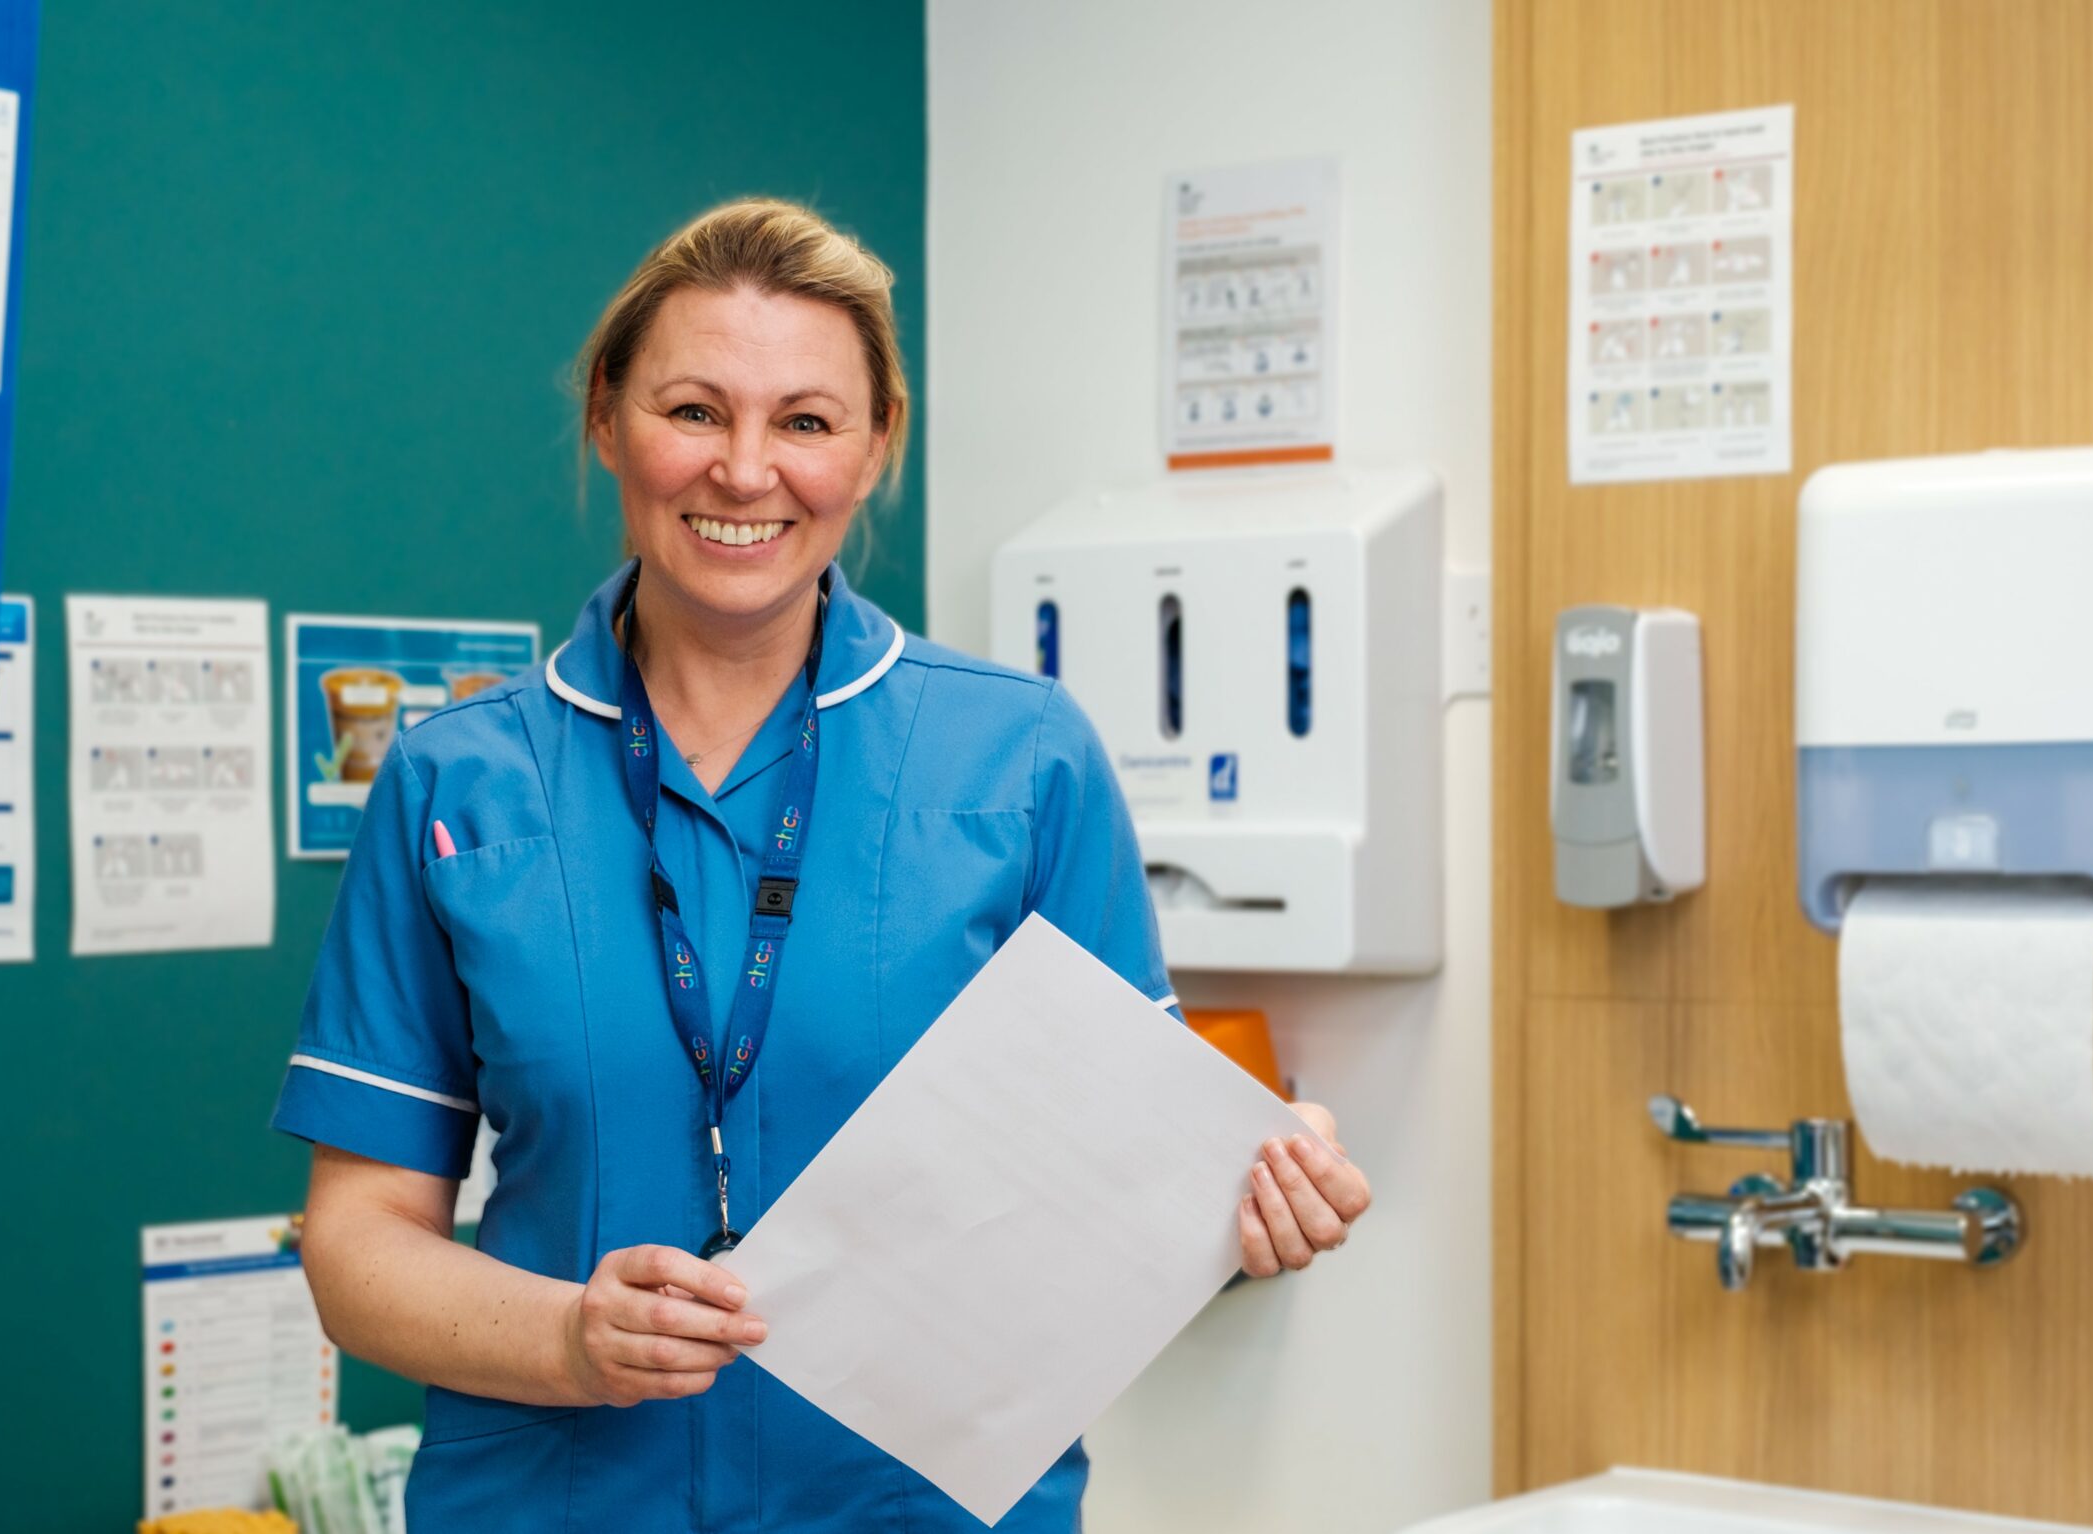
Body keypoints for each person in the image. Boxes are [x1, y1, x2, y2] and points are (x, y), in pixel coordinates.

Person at [271, 198, 1371, 1532]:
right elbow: (357, 1243)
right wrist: (571, 1337)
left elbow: (1127, 1184)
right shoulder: (458, 782)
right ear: (608, 418)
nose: (745, 471)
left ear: (872, 447)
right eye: (693, 411)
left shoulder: (1021, 762)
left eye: (804, 420)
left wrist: (1258, 1188)